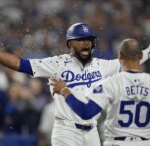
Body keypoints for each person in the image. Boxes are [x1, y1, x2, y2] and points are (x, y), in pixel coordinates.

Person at [0, 23, 149, 146]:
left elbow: (136, 58)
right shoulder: (56, 63)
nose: (86, 43)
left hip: (92, 132)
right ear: (70, 43)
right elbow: (18, 64)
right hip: (66, 131)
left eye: (89, 40)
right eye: (81, 40)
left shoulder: (102, 65)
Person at [51, 38, 150, 146]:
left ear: (120, 56)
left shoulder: (112, 83)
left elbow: (86, 112)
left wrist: (65, 91)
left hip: (117, 142)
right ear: (140, 56)